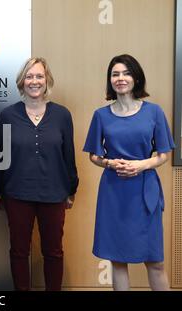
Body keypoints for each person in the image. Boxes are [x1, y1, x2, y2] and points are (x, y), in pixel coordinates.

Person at [83, 54, 174, 291]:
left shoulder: (154, 112)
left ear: (136, 78)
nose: (120, 78)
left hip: (145, 190)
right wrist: (110, 163)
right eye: (115, 74)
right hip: (114, 192)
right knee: (118, 260)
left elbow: (164, 153)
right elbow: (94, 155)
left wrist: (141, 165)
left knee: (155, 261)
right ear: (110, 80)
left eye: (126, 73)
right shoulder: (101, 115)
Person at [0, 57, 79, 291]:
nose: (34, 81)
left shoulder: (62, 115)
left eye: (39, 76)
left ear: (47, 80)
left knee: (53, 252)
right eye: (30, 76)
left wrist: (71, 190)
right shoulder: (7, 116)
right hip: (16, 195)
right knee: (19, 251)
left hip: (54, 194)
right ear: (22, 81)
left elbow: (68, 156)